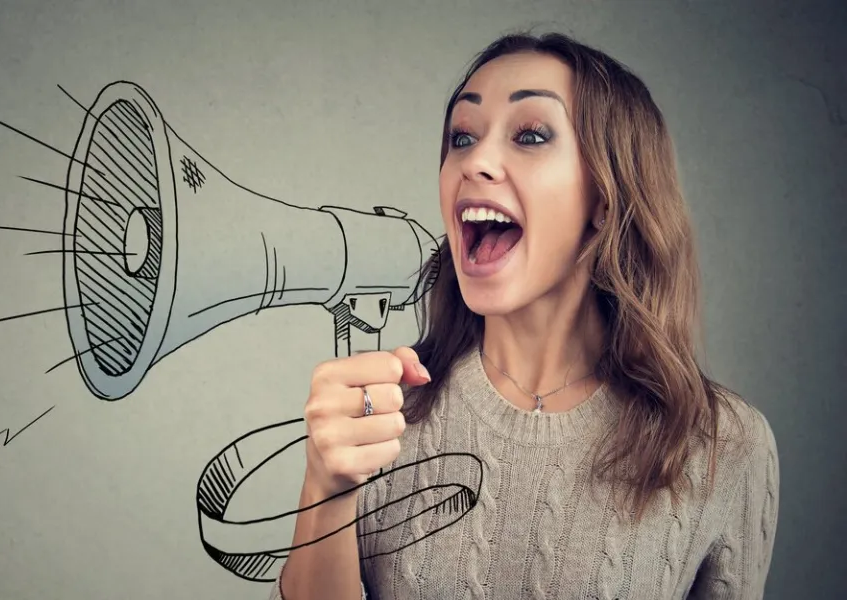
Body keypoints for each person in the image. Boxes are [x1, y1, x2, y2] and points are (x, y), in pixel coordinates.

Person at [270, 31, 780, 600]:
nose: (476, 161)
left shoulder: (723, 446)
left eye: (531, 135)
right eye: (462, 137)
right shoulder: (383, 421)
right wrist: (326, 487)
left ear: (605, 200)